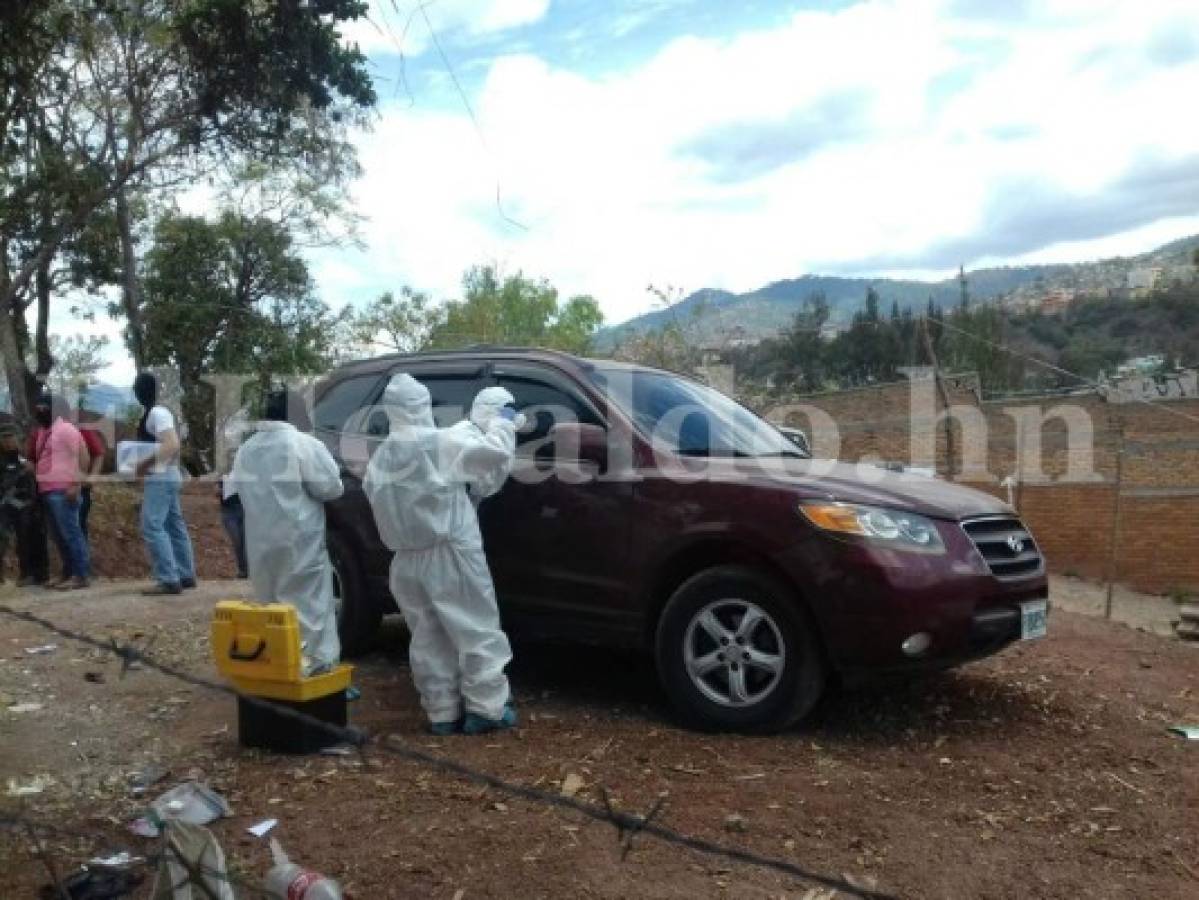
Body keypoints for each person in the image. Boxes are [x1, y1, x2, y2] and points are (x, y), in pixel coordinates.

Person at [363, 375, 521, 736]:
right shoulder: (440, 443)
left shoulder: (381, 457)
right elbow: (493, 457)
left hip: (405, 560)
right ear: (422, 406)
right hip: (449, 552)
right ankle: (487, 708)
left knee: (427, 636)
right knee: (475, 627)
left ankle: (442, 712)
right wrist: (503, 423)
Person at [231, 388, 343, 675]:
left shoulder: (247, 449)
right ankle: (314, 670)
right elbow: (331, 487)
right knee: (309, 608)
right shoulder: (303, 444)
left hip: (260, 541)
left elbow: (238, 492)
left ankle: (279, 666)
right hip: (299, 541)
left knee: (271, 606)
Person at [133, 372, 196, 595]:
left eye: (137, 389)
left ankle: (169, 578)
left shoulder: (157, 413)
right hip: (169, 474)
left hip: (161, 475)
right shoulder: (157, 413)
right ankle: (185, 574)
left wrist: (144, 465)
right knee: (174, 526)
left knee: (152, 525)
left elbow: (171, 444)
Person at [30, 391, 90, 590]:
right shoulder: (42, 432)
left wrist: (75, 483)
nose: (39, 412)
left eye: (43, 408)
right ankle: (67, 572)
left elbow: (83, 456)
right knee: (57, 535)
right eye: (37, 408)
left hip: (64, 490)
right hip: (46, 490)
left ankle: (80, 575)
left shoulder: (66, 429)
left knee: (71, 533)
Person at [0, 422, 47, 585]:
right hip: (5, 506)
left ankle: (27, 574)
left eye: (10, 437)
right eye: (4, 438)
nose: (8, 441)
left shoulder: (26, 460)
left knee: (25, 540)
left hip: (25, 506)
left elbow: (36, 484)